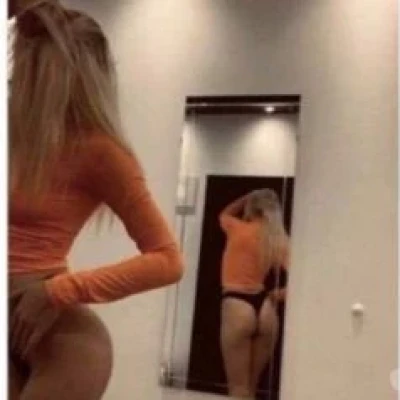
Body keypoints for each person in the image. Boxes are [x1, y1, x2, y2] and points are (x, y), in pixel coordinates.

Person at [8, 1, 184, 399]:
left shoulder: (101, 151)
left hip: (52, 331)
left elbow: (167, 260)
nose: (19, 74)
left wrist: (59, 291)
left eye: (32, 65)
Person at [219, 189, 290, 399]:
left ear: (252, 207)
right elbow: (303, 282)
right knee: (251, 388)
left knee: (238, 389)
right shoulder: (277, 240)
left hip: (237, 304)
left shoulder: (237, 228)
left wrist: (247, 197)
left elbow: (224, 213)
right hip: (266, 309)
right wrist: (279, 295)